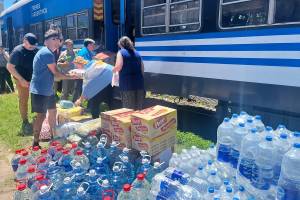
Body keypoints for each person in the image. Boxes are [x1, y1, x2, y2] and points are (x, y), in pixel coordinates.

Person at [30, 29, 77, 148]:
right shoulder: (46, 53)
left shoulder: (49, 52)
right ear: (46, 42)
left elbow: (54, 72)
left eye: (58, 39)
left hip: (48, 90)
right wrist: (72, 76)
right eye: (53, 39)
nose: (57, 42)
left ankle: (53, 136)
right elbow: (56, 73)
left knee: (53, 111)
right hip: (40, 91)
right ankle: (35, 142)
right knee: (40, 116)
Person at [7, 33, 38, 135]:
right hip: (22, 79)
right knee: (23, 100)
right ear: (24, 41)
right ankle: (25, 121)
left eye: (34, 46)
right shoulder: (17, 51)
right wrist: (21, 80)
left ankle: (38, 117)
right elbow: (10, 67)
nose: (32, 48)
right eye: (30, 46)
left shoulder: (35, 49)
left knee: (37, 98)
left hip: (33, 79)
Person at [113, 36, 145, 110]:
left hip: (127, 85)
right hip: (139, 84)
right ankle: (138, 121)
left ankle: (130, 121)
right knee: (138, 107)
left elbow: (118, 67)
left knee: (128, 108)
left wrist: (113, 69)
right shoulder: (137, 53)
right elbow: (142, 68)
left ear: (121, 45)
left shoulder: (121, 52)